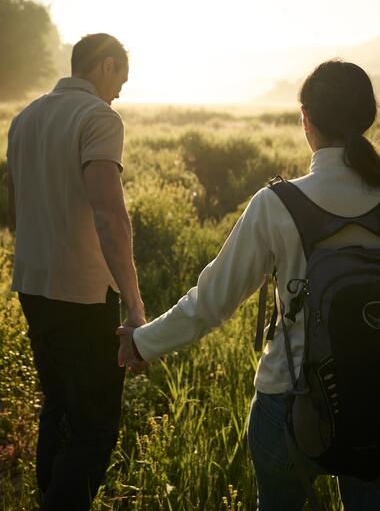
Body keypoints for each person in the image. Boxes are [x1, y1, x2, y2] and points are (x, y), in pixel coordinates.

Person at [118, 60, 380, 511]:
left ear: (306, 120)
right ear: (367, 117)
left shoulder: (277, 204)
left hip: (289, 401)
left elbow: (211, 303)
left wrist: (143, 342)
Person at [7, 33, 145, 511]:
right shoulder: (98, 117)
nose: (120, 92)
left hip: (32, 287)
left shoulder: (23, 119)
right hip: (85, 296)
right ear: (105, 65)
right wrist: (134, 304)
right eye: (121, 78)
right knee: (94, 431)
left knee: (58, 407)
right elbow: (109, 214)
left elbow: (16, 209)